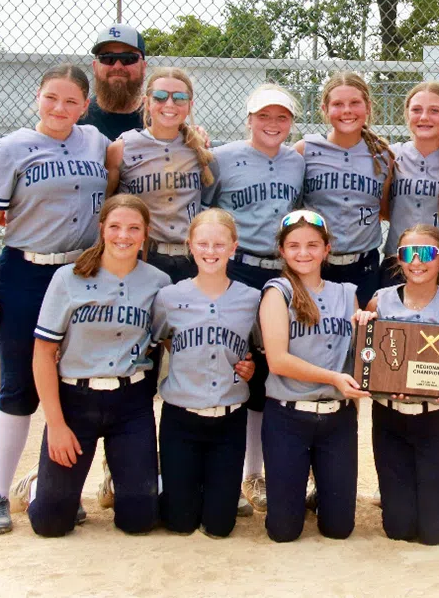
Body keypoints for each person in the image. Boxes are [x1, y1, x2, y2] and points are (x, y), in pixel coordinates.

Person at [0, 64, 110, 535]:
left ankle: (50, 487)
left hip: (80, 274)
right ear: (38, 96)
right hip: (25, 273)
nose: (60, 108)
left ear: (85, 105)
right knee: (19, 387)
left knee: (70, 386)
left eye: (71, 101)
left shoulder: (94, 140)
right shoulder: (10, 148)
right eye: (52, 97)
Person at [12, 195, 170, 537]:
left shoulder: (158, 282)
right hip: (75, 401)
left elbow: (172, 341)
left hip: (131, 404)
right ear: (101, 230)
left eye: (133, 228)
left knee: (139, 520)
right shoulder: (68, 278)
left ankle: (119, 479)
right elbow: (42, 354)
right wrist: (55, 424)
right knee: (52, 524)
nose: (123, 235)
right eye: (115, 226)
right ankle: (39, 484)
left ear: (145, 234)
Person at [204, 84, 306, 516]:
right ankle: (223, 472)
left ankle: (254, 473)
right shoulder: (221, 158)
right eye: (264, 115)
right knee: (231, 367)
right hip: (238, 267)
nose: (272, 123)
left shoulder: (297, 162)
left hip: (280, 271)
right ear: (248, 118)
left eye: (282, 117)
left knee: (265, 372)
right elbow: (206, 213)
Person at [354, 225, 439, 545]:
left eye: (427, 254)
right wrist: (363, 330)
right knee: (399, 529)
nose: (417, 261)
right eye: (409, 253)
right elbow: (368, 360)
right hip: (389, 418)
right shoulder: (379, 303)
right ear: (399, 259)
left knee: (435, 533)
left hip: (434, 418)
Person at [151, 209, 259, 538]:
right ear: (190, 246)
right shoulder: (169, 297)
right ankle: (167, 483)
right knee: (180, 524)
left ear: (233, 248)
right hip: (181, 417)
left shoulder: (251, 299)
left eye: (219, 244)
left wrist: (251, 367)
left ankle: (216, 491)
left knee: (219, 527)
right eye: (203, 244)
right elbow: (160, 338)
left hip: (229, 419)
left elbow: (257, 350)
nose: (210, 251)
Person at [258, 210, 365, 542]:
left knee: (338, 529)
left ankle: (318, 492)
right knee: (283, 532)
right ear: (282, 251)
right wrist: (333, 378)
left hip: (337, 420)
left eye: (312, 245)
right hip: (288, 416)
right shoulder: (278, 292)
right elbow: (277, 361)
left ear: (327, 248)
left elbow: (359, 356)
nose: (303, 253)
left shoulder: (346, 293)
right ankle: (290, 495)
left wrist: (370, 331)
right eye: (294, 246)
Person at [294, 72, 394, 308]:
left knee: (361, 337)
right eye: (338, 104)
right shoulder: (305, 150)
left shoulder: (383, 156)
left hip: (363, 265)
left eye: (355, 103)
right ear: (325, 109)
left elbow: (384, 209)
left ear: (368, 107)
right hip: (315, 263)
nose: (347, 110)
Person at [107, 67, 214, 283]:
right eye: (160, 97)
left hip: (191, 259)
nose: (170, 104)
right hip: (143, 257)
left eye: (180, 98)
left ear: (190, 105)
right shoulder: (122, 148)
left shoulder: (198, 147)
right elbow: (107, 206)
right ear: (147, 102)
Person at [381, 82, 439, 296]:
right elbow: (384, 209)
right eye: (416, 110)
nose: (424, 117)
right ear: (407, 115)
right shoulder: (391, 156)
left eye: (434, 111)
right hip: (398, 264)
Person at [80, 24, 147, 141]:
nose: (117, 66)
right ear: (95, 67)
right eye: (107, 58)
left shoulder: (159, 120)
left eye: (128, 58)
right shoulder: (76, 119)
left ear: (143, 67)